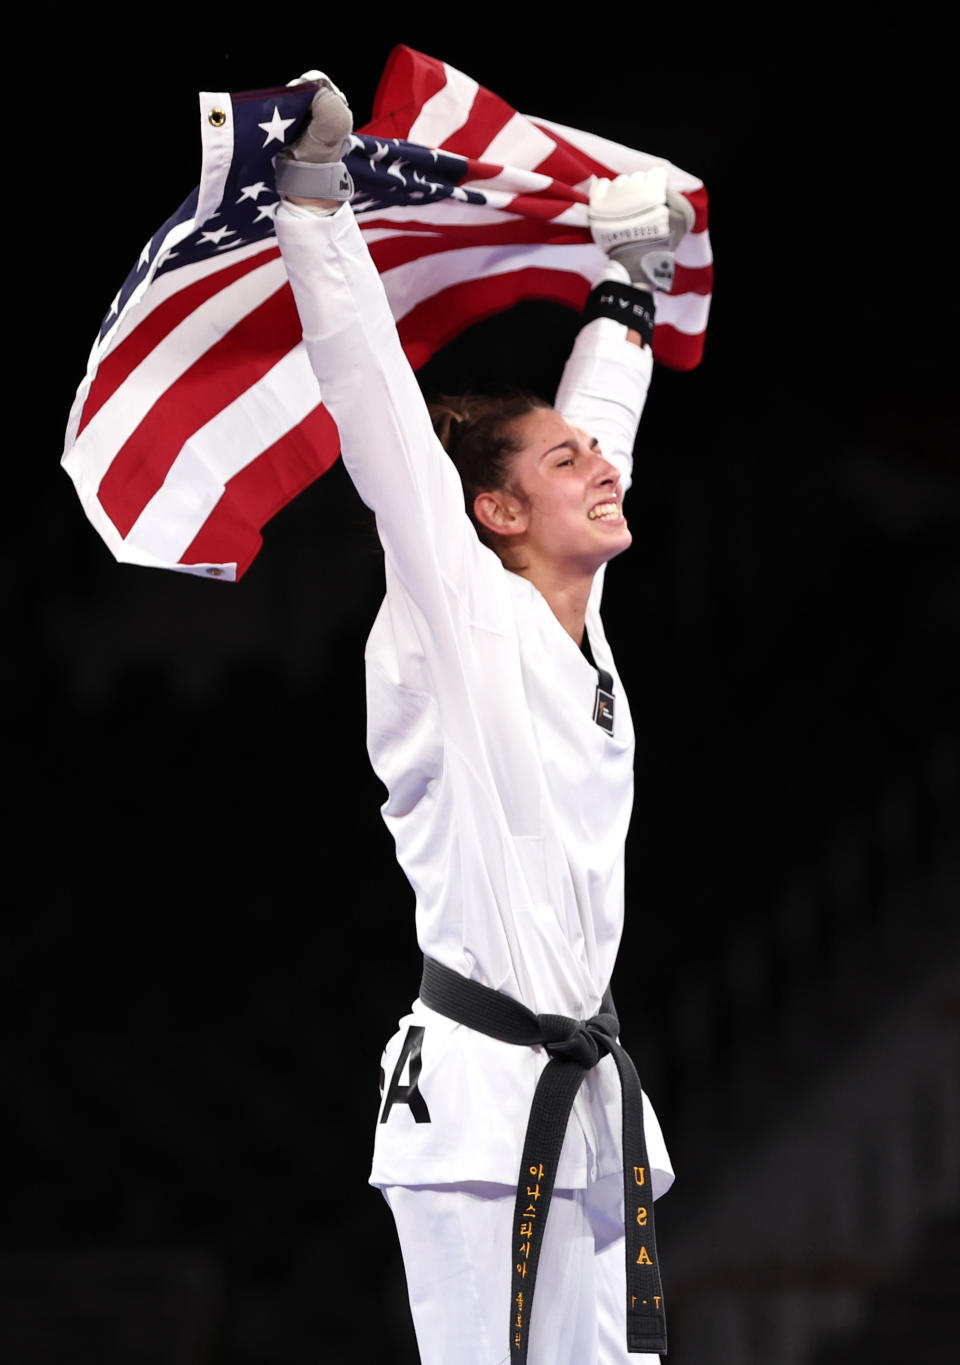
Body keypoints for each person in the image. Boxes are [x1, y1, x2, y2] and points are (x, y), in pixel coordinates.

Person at [273, 72, 694, 1365]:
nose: (600, 467)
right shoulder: (454, 613)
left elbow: (599, 422)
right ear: (499, 514)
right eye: (563, 467)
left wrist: (627, 287)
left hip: (582, 1105)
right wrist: (312, 210)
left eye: (588, 456)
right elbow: (385, 423)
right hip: (474, 1123)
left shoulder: (574, 619)